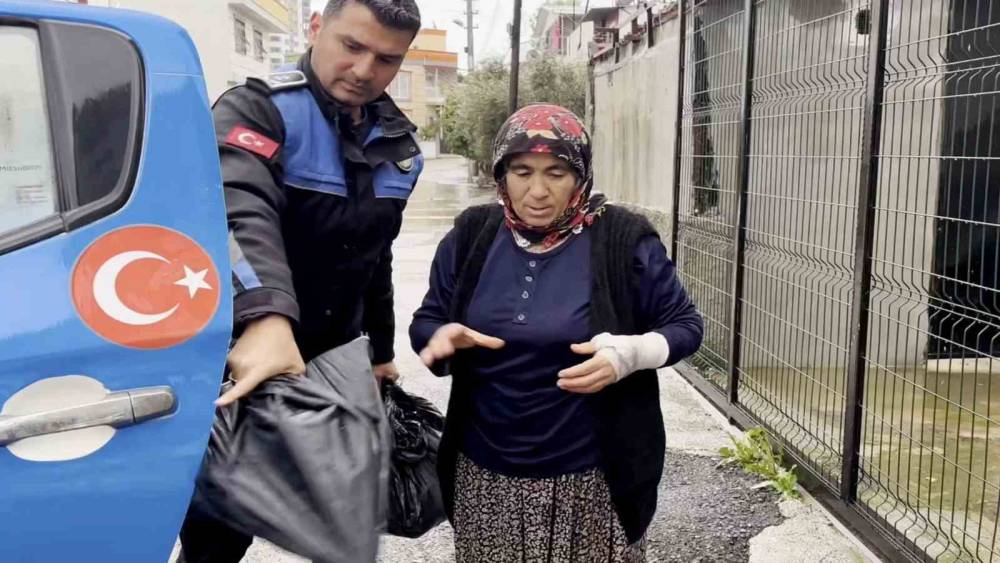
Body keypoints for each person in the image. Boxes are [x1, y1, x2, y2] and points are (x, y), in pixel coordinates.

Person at [178, 1, 422, 561]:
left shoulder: (399, 147)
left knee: (345, 523)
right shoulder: (258, 110)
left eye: (387, 59)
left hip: (334, 359)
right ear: (316, 28)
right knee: (221, 526)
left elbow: (375, 255)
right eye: (352, 46)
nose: (364, 70)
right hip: (248, 352)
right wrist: (265, 317)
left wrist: (383, 351)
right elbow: (234, 209)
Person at [409, 104, 704, 562]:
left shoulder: (623, 240)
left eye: (557, 173)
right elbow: (427, 321)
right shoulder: (471, 236)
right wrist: (440, 337)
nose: (538, 191)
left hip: (591, 477)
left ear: (580, 175)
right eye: (522, 172)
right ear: (501, 173)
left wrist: (627, 356)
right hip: (486, 474)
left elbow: (685, 325)